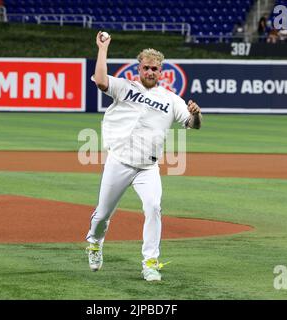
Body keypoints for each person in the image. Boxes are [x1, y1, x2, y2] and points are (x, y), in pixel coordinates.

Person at [85, 31, 202, 282]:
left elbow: (193, 124)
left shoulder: (171, 100)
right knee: (103, 214)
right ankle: (94, 242)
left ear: (161, 72)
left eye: (155, 69)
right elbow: (101, 81)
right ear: (139, 69)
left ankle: (150, 262)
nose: (150, 72)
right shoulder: (124, 87)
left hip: (148, 168)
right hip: (119, 161)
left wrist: (196, 113)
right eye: (146, 67)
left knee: (153, 208)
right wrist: (102, 49)